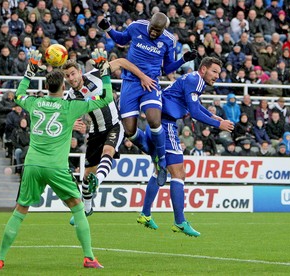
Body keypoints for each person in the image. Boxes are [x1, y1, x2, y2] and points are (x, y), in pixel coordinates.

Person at [0, 49, 113, 270]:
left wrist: (29, 72)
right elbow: (107, 98)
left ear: (46, 87)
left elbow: (18, 96)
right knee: (77, 207)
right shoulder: (70, 106)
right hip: (56, 167)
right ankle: (89, 257)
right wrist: (104, 71)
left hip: (33, 164)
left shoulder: (35, 103)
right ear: (63, 87)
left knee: (20, 210)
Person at [136, 57, 234, 236]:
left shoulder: (193, 80)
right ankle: (179, 221)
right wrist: (218, 125)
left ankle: (145, 214)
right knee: (179, 173)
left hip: (157, 122)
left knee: (160, 170)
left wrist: (214, 117)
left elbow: (193, 106)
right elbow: (194, 113)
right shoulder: (195, 80)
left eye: (219, 73)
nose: (217, 76)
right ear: (203, 69)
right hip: (165, 125)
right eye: (214, 72)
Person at [97, 12, 197, 185]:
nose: (153, 33)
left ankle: (162, 159)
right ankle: (155, 154)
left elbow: (167, 69)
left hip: (150, 83)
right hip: (130, 82)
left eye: (157, 31)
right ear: (149, 23)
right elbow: (121, 40)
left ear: (163, 29)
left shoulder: (168, 40)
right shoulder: (136, 26)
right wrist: (108, 29)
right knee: (129, 131)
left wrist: (182, 60)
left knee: (154, 120)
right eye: (152, 29)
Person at [62, 56, 155, 223]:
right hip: (94, 132)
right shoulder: (69, 97)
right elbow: (65, 119)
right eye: (67, 76)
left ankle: (98, 181)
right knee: (86, 175)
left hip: (114, 125)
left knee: (108, 152)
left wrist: (142, 76)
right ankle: (87, 208)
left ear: (80, 72)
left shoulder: (95, 75)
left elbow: (121, 62)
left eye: (72, 74)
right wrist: (73, 124)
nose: (71, 78)